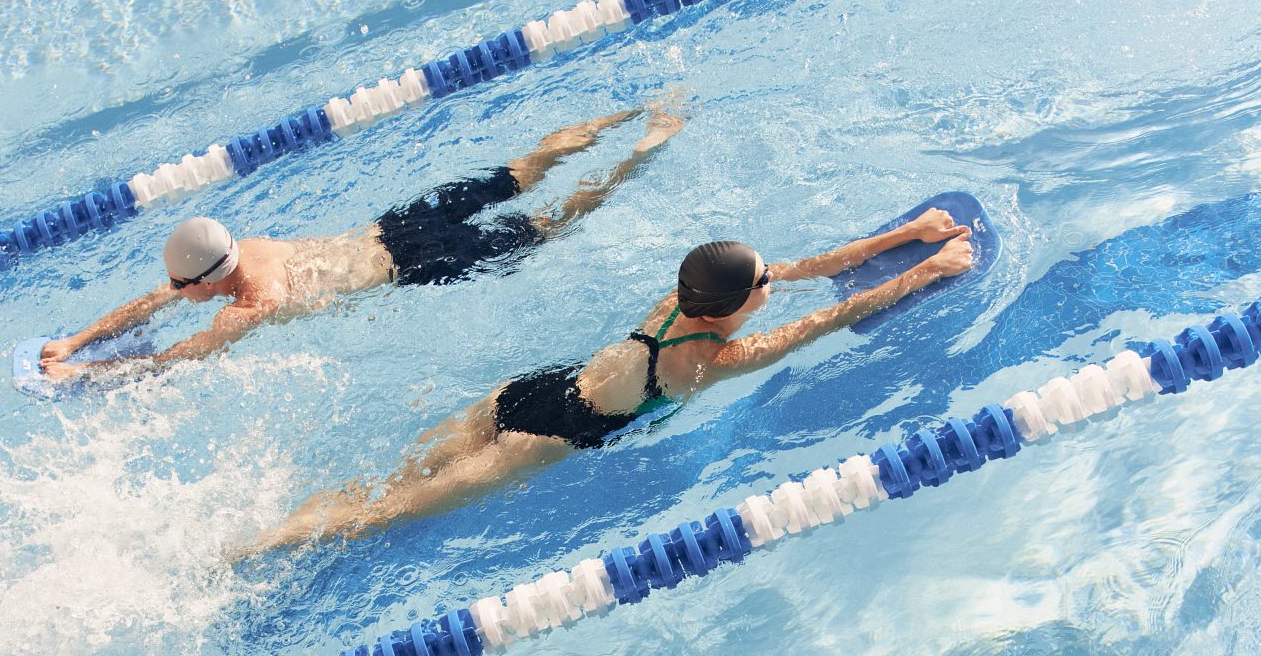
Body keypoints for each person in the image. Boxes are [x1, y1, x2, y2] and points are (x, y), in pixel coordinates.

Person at [240, 210, 975, 555]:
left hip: (520, 391)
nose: (773, 282)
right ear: (737, 304)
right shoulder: (714, 361)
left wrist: (906, 234)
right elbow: (833, 313)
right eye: (762, 282)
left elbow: (813, 266)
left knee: (389, 484)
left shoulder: (680, 298)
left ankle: (286, 519)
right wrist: (927, 271)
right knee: (387, 512)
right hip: (539, 438)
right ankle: (252, 547)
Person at [36, 107, 679, 382]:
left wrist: (84, 370)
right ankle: (622, 119)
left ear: (207, 279)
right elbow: (151, 304)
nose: (175, 294)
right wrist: (71, 339)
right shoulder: (249, 248)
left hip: (418, 259)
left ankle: (643, 154)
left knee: (554, 221)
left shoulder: (253, 301)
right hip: (392, 227)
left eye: (182, 286)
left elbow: (175, 358)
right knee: (519, 173)